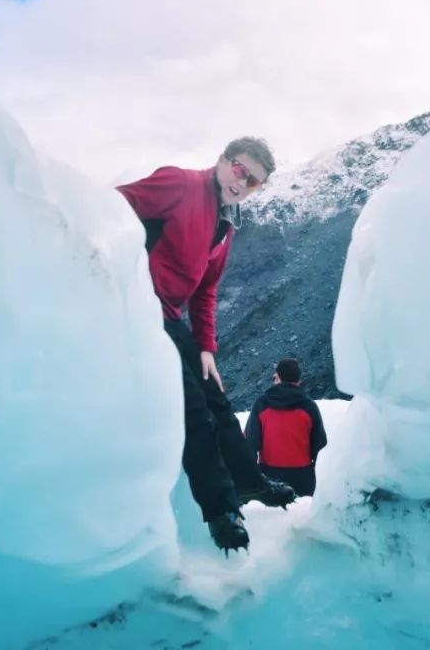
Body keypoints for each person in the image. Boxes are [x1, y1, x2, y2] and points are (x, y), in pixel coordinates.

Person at [116, 137, 297, 554]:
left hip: (170, 315)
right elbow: (111, 210)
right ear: (222, 161)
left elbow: (205, 292)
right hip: (140, 309)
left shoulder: (226, 224)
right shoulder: (178, 184)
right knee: (193, 410)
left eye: (253, 182)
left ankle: (250, 483)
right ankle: (220, 511)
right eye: (239, 169)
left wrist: (206, 349)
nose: (243, 182)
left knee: (215, 397)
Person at [244, 358, 327, 497]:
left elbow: (250, 443)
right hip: (303, 478)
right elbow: (320, 444)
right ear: (299, 381)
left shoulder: (262, 405)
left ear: (278, 377)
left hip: (269, 477)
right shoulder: (309, 407)